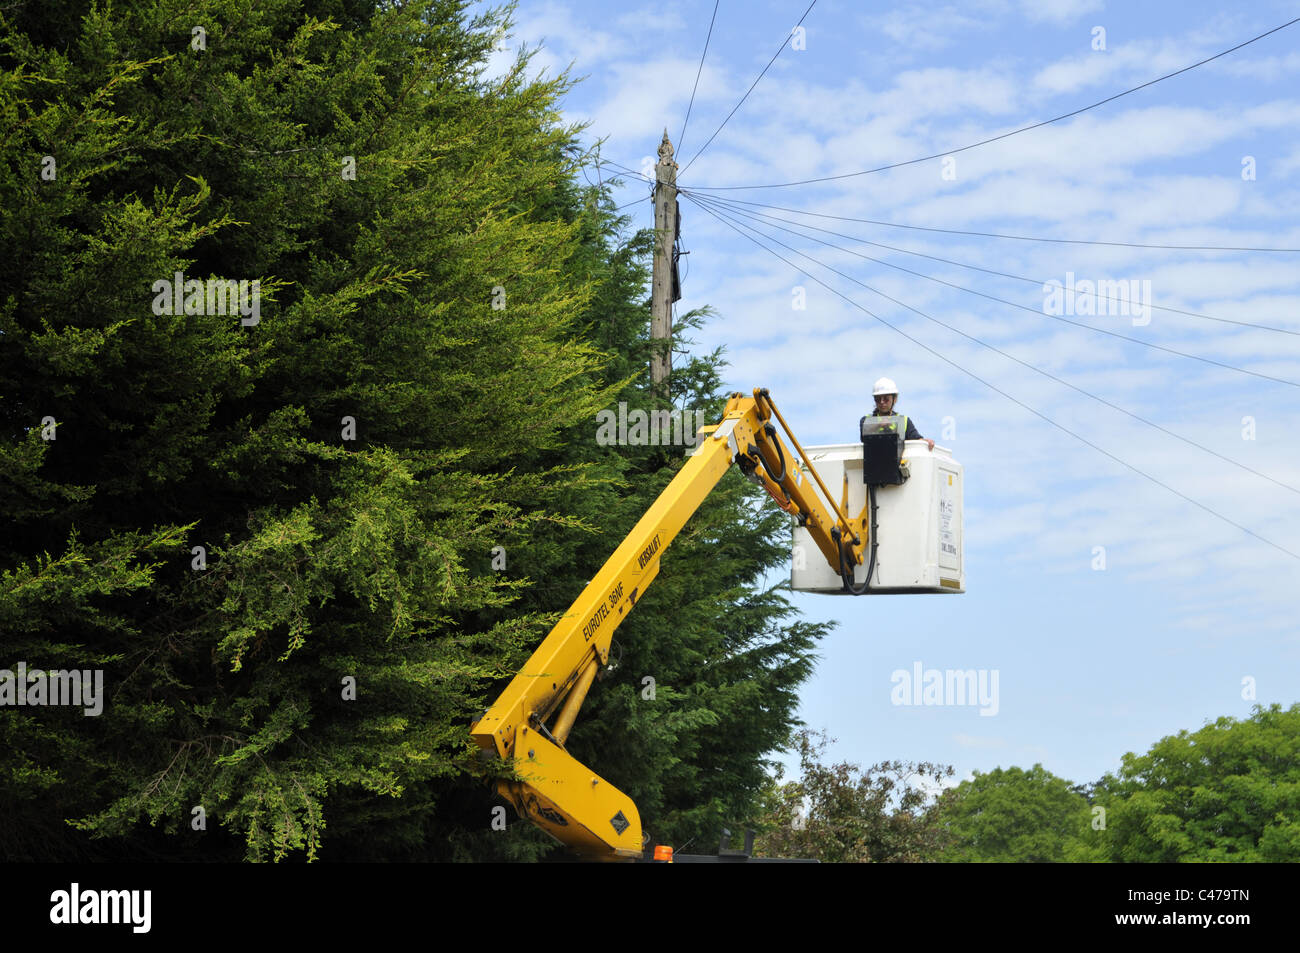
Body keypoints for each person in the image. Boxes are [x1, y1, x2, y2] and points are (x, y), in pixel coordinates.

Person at [871, 377, 934, 451]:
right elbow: (863, 435)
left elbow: (916, 439)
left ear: (895, 399)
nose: (882, 402)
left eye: (886, 398)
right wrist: (878, 425)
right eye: (878, 399)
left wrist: (926, 442)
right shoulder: (866, 420)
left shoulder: (904, 421)